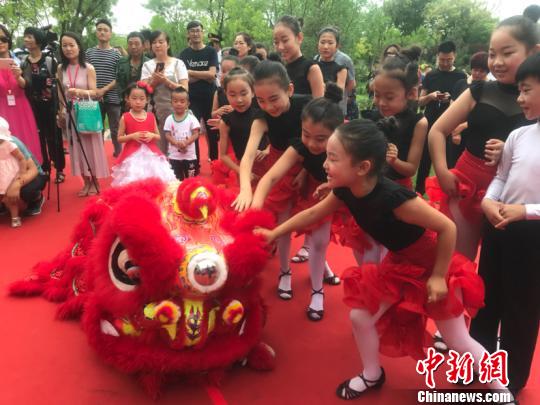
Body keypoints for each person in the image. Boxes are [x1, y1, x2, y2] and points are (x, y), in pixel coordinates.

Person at [254, 119, 514, 403]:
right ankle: (372, 374)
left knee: (456, 340)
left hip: (434, 265)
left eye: (332, 157)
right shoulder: (345, 189)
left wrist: (439, 276)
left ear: (363, 167)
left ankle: (502, 391)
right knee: (360, 316)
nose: (324, 163)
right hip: (401, 263)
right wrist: (274, 232)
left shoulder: (394, 197)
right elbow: (312, 214)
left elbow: (447, 229)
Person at [428, 15, 539, 260]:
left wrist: (510, 151)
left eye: (507, 53)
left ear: (534, 51)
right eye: (492, 54)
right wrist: (442, 171)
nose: (497, 62)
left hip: (515, 195)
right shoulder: (479, 90)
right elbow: (437, 130)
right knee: (458, 261)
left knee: (501, 268)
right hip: (466, 185)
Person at [474, 52, 540, 397]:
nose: (520, 98)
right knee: (487, 299)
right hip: (498, 224)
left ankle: (511, 380)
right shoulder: (520, 135)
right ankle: (478, 367)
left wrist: (525, 211)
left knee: (522, 307)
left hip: (532, 235)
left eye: (526, 90)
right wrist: (488, 200)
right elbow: (501, 177)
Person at [251, 84, 343, 321]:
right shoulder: (299, 145)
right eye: (306, 134)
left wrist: (331, 185)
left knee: (320, 240)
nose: (312, 143)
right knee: (284, 225)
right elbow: (271, 176)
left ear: (338, 132)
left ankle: (317, 289)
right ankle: (285, 272)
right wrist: (255, 207)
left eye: (321, 138)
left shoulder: (347, 147)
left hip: (333, 191)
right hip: (306, 185)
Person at [57, 32, 109, 197]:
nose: (68, 49)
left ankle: (95, 180)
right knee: (76, 147)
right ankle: (85, 181)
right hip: (70, 111)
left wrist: (78, 91)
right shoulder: (61, 68)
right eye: (64, 45)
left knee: (90, 146)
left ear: (79, 46)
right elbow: (60, 91)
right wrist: (61, 110)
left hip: (86, 110)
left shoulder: (88, 68)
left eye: (71, 45)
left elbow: (94, 92)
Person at [417, 41, 467, 193]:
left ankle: (449, 195)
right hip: (430, 122)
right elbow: (419, 101)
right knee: (425, 160)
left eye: (449, 60)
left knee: (450, 162)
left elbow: (466, 104)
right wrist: (431, 96)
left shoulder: (461, 76)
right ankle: (419, 192)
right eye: (442, 60)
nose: (445, 63)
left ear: (454, 57)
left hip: (451, 125)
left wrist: (452, 100)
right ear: (437, 57)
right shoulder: (431, 75)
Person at [20, 27, 66, 184]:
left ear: (38, 40)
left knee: (54, 137)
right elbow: (24, 84)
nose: (26, 40)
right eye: (25, 37)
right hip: (32, 106)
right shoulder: (24, 62)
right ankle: (44, 167)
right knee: (38, 138)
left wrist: (60, 108)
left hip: (50, 105)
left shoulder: (49, 59)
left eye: (29, 37)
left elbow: (58, 83)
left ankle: (59, 168)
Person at [111, 81, 175, 187]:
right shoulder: (125, 117)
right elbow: (119, 138)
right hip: (132, 155)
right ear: (127, 99)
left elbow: (158, 135)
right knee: (134, 180)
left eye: (141, 99)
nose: (138, 102)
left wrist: (152, 135)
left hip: (151, 154)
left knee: (154, 179)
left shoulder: (150, 116)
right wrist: (132, 136)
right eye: (134, 98)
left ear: (147, 100)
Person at [215, 67, 266, 187]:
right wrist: (242, 171)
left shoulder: (262, 115)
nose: (239, 100)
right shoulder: (226, 122)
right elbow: (222, 156)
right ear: (226, 94)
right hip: (241, 168)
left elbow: (275, 141)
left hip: (266, 165)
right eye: (232, 95)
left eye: (244, 93)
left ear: (253, 92)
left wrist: (266, 151)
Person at [141, 30, 189, 153]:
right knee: (158, 148)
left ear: (168, 44)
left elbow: (185, 88)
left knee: (178, 147)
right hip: (156, 111)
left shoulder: (178, 63)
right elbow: (143, 91)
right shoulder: (147, 65)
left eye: (161, 42)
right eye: (154, 42)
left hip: (177, 110)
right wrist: (155, 81)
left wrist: (167, 81)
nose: (157, 45)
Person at [0, 24, 42, 162]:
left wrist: (19, 77)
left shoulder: (22, 61)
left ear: (9, 40)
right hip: (2, 111)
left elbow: (28, 86)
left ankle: (33, 174)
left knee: (26, 140)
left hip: (21, 107)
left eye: (3, 38)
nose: (0, 42)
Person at [179, 21, 219, 161]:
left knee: (212, 131)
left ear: (202, 32)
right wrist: (204, 75)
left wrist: (190, 72)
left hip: (210, 97)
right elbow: (184, 79)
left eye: (198, 30)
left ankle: (214, 162)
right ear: (188, 34)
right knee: (193, 130)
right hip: (192, 99)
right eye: (192, 31)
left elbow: (212, 75)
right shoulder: (183, 54)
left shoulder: (210, 51)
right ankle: (194, 162)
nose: (195, 33)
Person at [0, 117, 47, 227]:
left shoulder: (12, 142)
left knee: (26, 191)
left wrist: (16, 184)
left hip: (28, 173)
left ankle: (36, 198)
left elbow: (33, 169)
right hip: (4, 174)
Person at [86, 19, 122, 157]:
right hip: (94, 98)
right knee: (96, 129)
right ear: (96, 32)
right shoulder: (89, 53)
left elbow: (118, 77)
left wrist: (103, 90)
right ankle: (98, 156)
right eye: (99, 29)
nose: (102, 32)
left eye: (105, 30)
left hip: (113, 97)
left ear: (110, 34)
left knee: (115, 129)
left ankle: (119, 155)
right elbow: (86, 74)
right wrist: (95, 91)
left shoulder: (116, 54)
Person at [447, 52, 490, 168]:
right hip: (455, 133)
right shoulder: (460, 84)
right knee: (451, 166)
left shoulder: (490, 89)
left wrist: (462, 127)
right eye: (475, 70)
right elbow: (452, 109)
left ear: (487, 71)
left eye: (481, 71)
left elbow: (484, 116)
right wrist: (455, 130)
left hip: (475, 136)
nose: (477, 73)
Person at [273, 15, 324, 98]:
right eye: (276, 42)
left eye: (285, 40)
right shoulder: (278, 69)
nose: (280, 47)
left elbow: (320, 107)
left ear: (299, 37)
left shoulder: (311, 69)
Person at [164, 87, 201, 180]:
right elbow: (167, 135)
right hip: (174, 156)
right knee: (176, 180)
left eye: (182, 101)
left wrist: (186, 143)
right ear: (171, 103)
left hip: (190, 156)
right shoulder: (169, 119)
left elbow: (196, 133)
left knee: (191, 179)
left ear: (188, 104)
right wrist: (176, 143)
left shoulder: (191, 118)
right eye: (175, 101)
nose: (178, 104)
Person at [116, 31, 150, 111]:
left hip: (143, 104)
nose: (133, 46)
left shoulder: (149, 63)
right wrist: (125, 100)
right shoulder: (121, 62)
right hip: (125, 104)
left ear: (143, 46)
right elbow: (119, 84)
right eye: (130, 44)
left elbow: (150, 85)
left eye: (137, 43)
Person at [316, 26, 347, 113]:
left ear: (337, 46)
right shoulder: (312, 65)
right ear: (317, 44)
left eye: (330, 43)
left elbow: (338, 94)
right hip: (312, 110)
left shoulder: (341, 70)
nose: (326, 47)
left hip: (329, 112)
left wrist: (318, 85)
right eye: (322, 42)